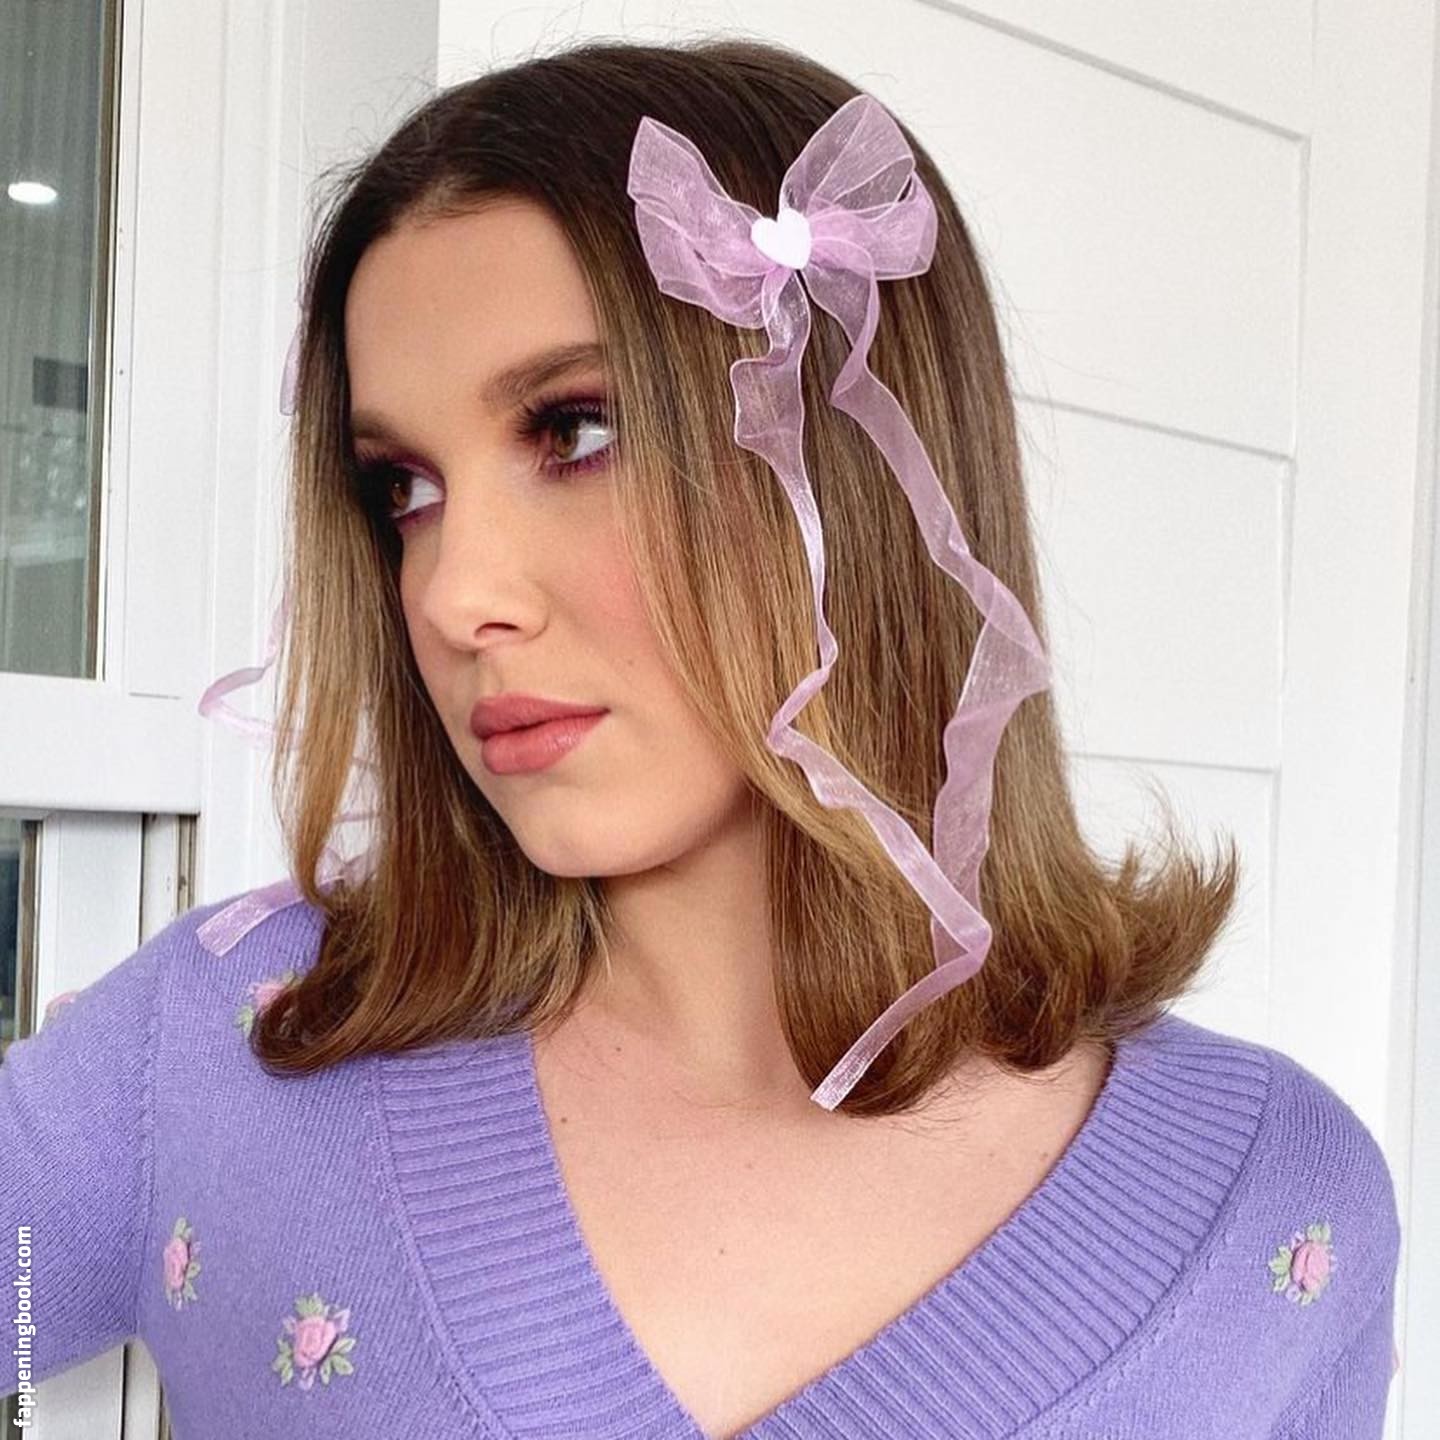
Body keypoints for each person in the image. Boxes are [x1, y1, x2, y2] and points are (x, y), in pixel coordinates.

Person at [1, 35, 1401, 1440]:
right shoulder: (226, 1045)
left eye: (575, 432)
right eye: (403, 489)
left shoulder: (1276, 1208)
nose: (454, 594)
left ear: (859, 467)